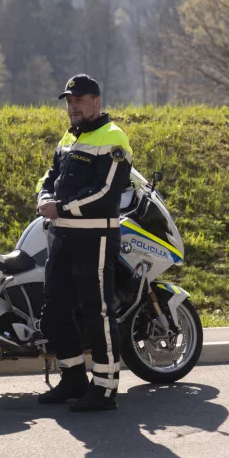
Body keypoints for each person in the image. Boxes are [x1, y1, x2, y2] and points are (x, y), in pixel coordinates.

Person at [35, 74, 133, 412]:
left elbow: (105, 192)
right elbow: (49, 177)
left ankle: (105, 390)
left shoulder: (113, 137)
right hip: (63, 236)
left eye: (78, 100)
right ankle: (73, 378)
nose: (72, 106)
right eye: (69, 101)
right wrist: (44, 197)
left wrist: (61, 207)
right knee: (54, 312)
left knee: (98, 313)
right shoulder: (69, 137)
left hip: (95, 238)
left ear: (96, 102)